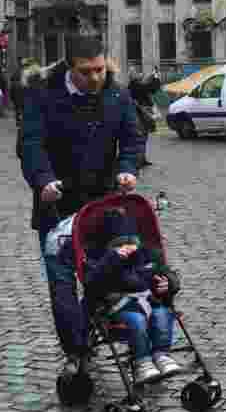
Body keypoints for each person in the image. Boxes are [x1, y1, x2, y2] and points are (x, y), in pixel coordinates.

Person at [20, 36, 141, 380]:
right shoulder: (43, 95)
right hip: (56, 205)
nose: (95, 77)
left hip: (103, 204)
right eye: (86, 72)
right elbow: (30, 144)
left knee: (104, 274)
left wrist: (127, 168)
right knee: (61, 284)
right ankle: (75, 353)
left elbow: (132, 138)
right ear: (69, 67)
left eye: (100, 69)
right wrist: (43, 180)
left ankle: (94, 333)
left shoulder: (117, 95)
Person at [85, 207, 181, 383]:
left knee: (162, 314)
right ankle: (142, 361)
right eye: (119, 244)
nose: (127, 248)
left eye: (131, 242)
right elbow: (92, 284)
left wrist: (169, 283)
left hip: (150, 300)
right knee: (137, 321)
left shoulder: (148, 255)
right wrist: (111, 260)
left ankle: (161, 354)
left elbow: (167, 272)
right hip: (119, 305)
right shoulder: (101, 261)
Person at [128, 68, 161, 168]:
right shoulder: (136, 85)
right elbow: (151, 88)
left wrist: (153, 77)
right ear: (134, 76)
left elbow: (148, 86)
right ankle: (139, 160)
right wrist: (155, 77)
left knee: (143, 137)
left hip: (140, 113)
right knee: (141, 138)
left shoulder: (134, 85)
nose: (140, 74)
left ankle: (141, 159)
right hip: (140, 114)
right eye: (138, 73)